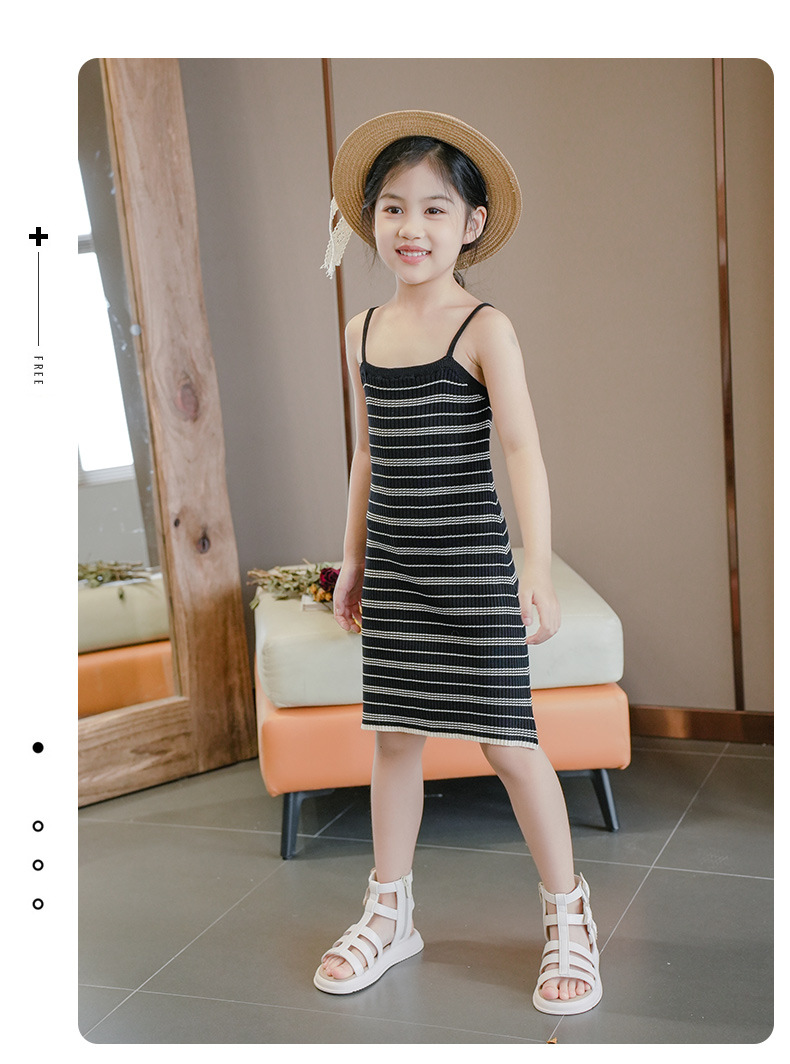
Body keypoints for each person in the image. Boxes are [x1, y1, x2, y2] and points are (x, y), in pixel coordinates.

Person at [314, 110, 602, 1016]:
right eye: (393, 208)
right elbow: (368, 452)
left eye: (435, 209)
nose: (412, 227)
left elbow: (523, 451)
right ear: (370, 221)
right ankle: (390, 913)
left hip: (472, 564)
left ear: (470, 224)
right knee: (396, 738)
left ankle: (569, 916)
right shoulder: (361, 330)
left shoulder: (484, 327)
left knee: (510, 743)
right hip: (397, 565)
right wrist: (352, 558)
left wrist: (535, 567)